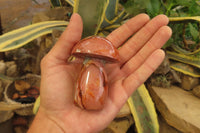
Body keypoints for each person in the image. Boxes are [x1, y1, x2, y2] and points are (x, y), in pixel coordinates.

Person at [27, 13, 172, 133]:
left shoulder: (98, 63)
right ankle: (89, 101)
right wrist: (54, 121)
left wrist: (53, 124)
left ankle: (92, 101)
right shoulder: (88, 61)